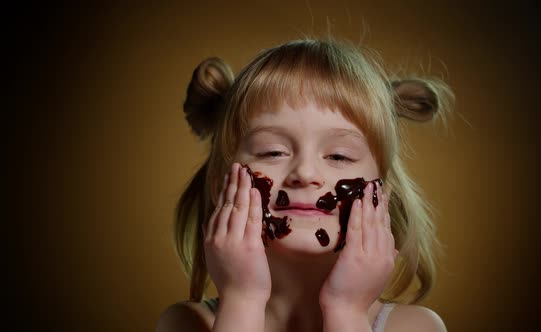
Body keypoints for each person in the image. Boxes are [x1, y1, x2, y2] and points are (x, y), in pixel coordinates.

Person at [156, 37, 454, 332]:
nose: (305, 172)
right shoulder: (188, 324)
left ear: (382, 195)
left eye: (339, 155)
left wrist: (346, 312)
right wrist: (242, 301)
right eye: (272, 152)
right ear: (220, 183)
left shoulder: (414, 327)